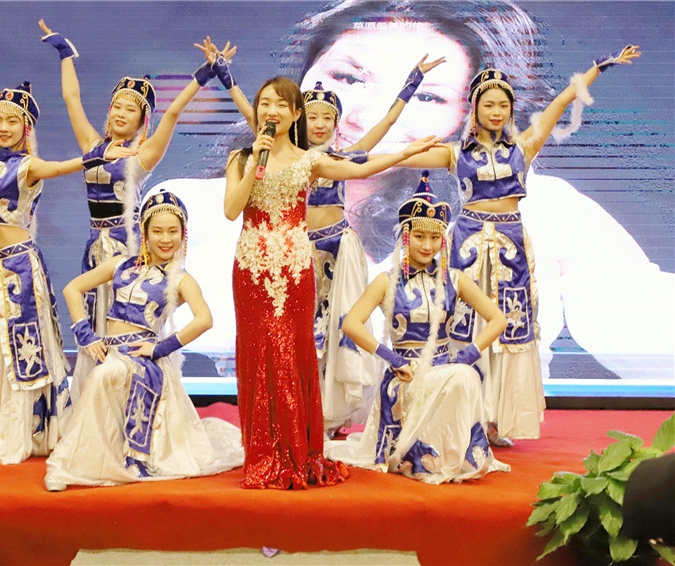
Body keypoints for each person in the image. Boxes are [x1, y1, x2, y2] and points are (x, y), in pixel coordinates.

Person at [281, 0, 673, 385]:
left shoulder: (542, 209)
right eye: (347, 78)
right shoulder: (250, 196)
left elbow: (650, 336)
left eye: (427, 97)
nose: (364, 116)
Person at [387, 46, 641, 444]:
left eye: (503, 105)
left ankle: (494, 418)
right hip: (467, 245)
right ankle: (463, 416)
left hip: (510, 245)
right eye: (488, 104)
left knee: (509, 329)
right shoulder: (454, 153)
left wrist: (600, 67)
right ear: (474, 109)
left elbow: (560, 103)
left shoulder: (523, 147)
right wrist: (407, 88)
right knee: (464, 327)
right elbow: (395, 158)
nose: (496, 112)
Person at [225, 76, 440, 489]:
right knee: (257, 354)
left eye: (281, 104)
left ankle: (295, 449)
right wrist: (255, 161)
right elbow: (232, 210)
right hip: (252, 267)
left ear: (295, 114)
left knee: (293, 352)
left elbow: (360, 167)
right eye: (264, 103)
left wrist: (404, 154)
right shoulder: (242, 157)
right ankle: (263, 452)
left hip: (294, 267)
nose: (272, 111)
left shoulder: (310, 161)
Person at [0, 34, 120, 465]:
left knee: (26, 351)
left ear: (26, 129)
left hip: (21, 270)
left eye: (12, 121)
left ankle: (29, 430)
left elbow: (60, 166)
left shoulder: (28, 166)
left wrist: (98, 155)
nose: (2, 127)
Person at [38, 21, 223, 401]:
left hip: (130, 250)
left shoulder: (143, 156)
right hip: (96, 247)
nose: (122, 113)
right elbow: (72, 99)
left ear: (142, 119)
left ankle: (137, 396)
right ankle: (95, 399)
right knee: (95, 318)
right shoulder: (93, 146)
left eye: (131, 109)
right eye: (117, 106)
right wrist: (65, 55)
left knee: (129, 320)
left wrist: (204, 75)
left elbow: (172, 114)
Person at [44, 190, 243, 490]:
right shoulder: (121, 264)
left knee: (102, 378)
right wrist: (86, 335)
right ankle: (89, 460)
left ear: (183, 234)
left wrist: (160, 348)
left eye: (173, 231)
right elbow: (72, 289)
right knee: (100, 376)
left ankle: (66, 467)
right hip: (107, 351)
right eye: (158, 231)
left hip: (141, 359)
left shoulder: (181, 278)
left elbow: (205, 319)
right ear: (145, 232)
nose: (166, 239)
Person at [330, 172, 510, 483]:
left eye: (434, 238)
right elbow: (350, 324)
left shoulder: (455, 279)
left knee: (465, 375)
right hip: (406, 376)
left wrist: (466, 355)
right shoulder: (386, 281)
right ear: (405, 236)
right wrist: (393, 359)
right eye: (419, 237)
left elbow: (499, 319)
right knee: (463, 377)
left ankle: (452, 456)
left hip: (445, 368)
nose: (427, 246)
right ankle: (431, 459)